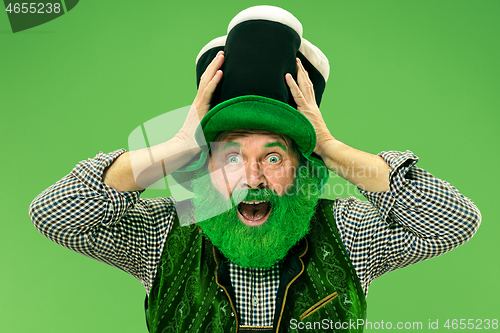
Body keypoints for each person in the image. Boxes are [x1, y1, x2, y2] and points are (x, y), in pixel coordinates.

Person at [29, 6, 481, 333]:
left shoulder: (347, 232)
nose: (252, 178)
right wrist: (177, 146)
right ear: (203, 170)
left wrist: (330, 146)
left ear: (304, 170)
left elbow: (455, 223)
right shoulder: (162, 235)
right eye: (230, 157)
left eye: (273, 157)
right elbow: (52, 214)